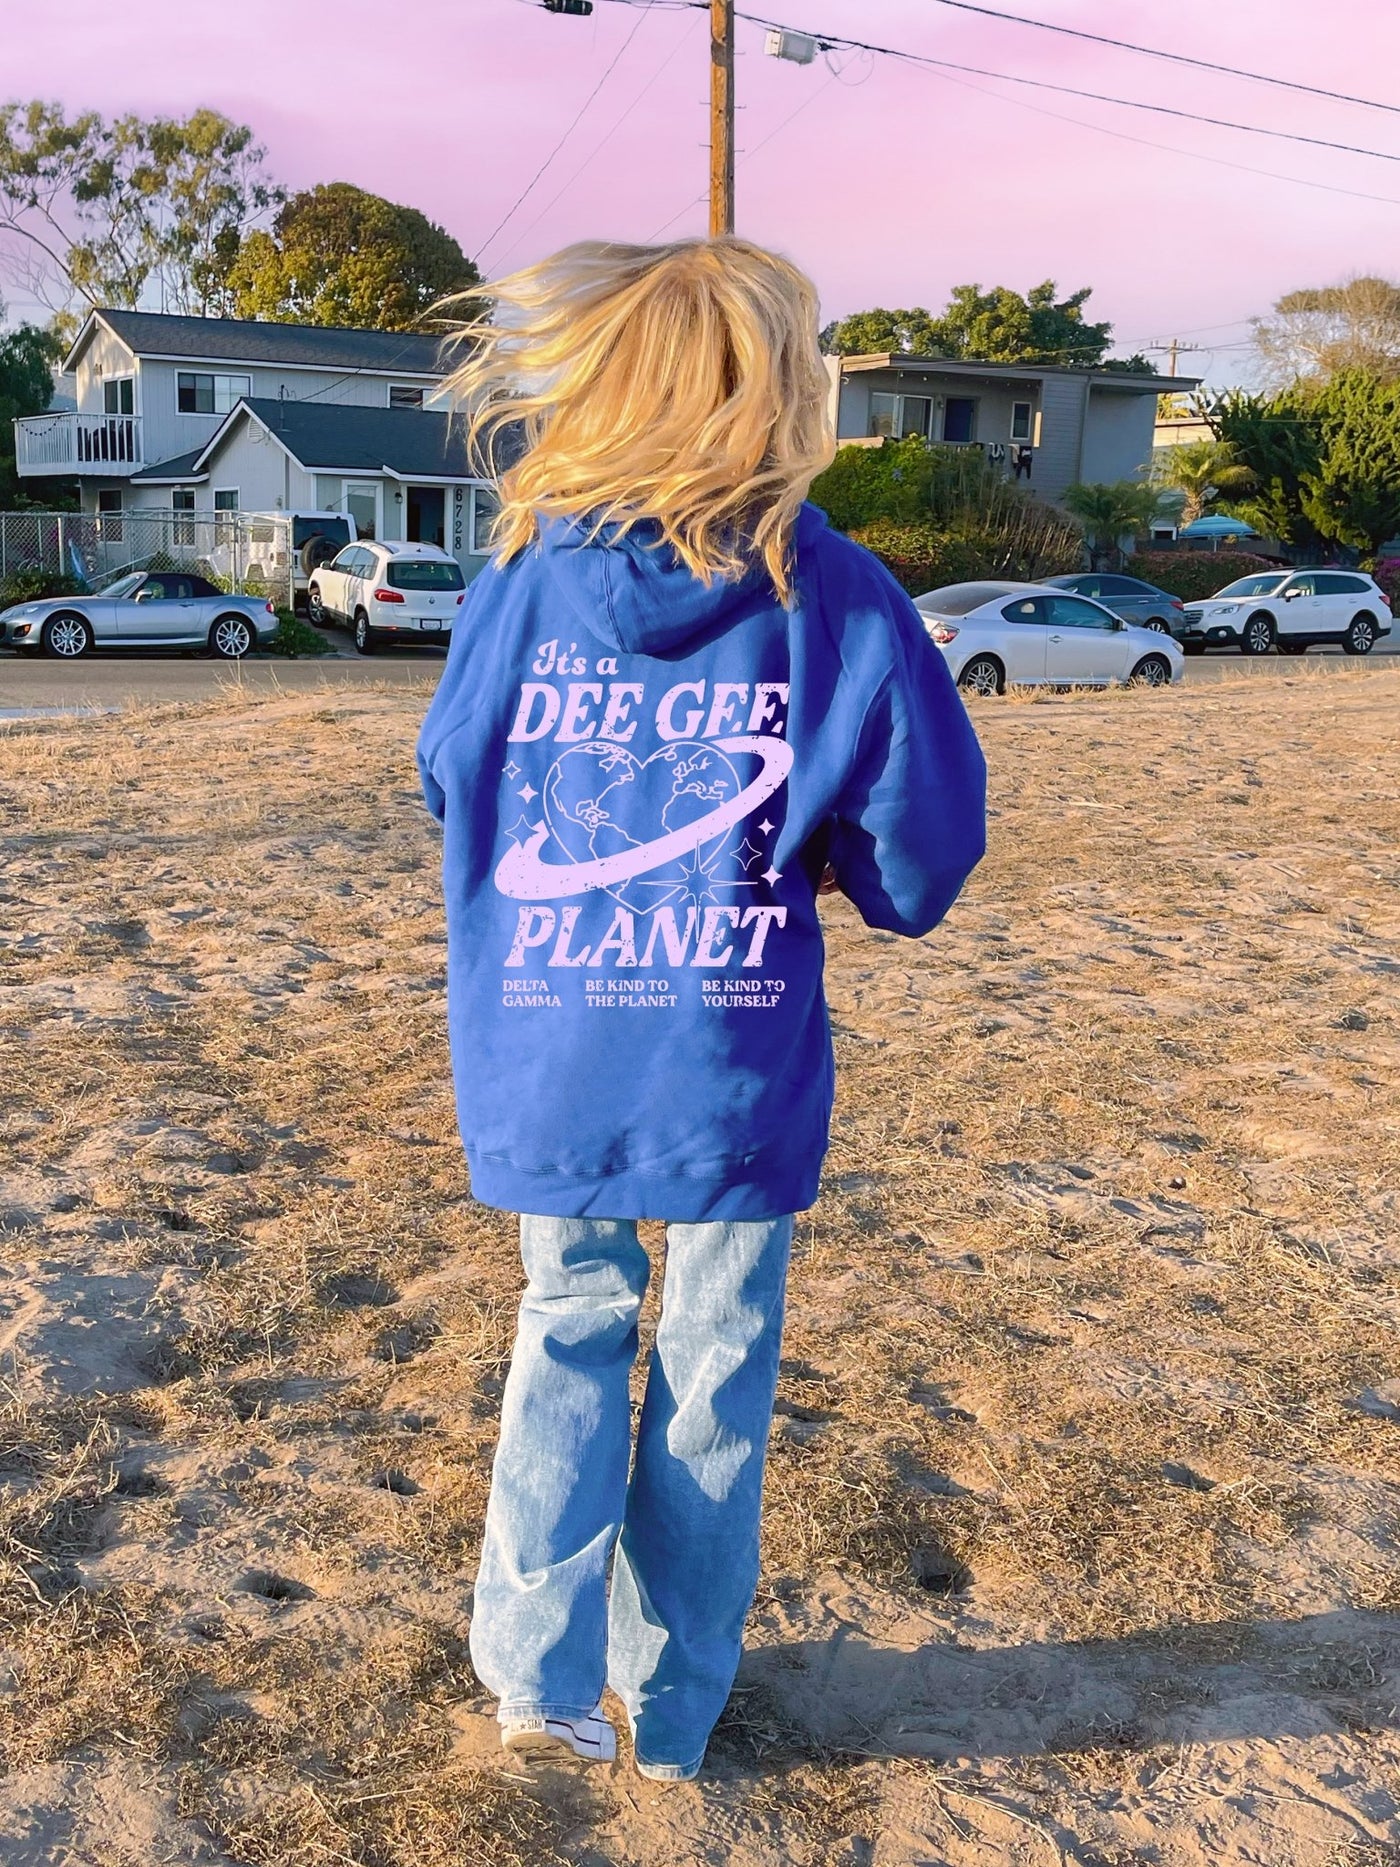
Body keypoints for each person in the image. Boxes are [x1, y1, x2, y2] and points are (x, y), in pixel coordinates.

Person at [417, 236, 986, 1783]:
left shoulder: (519, 580)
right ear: (775, 392)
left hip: (550, 1043)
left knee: (567, 1328)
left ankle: (540, 1688)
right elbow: (923, 852)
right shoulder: (834, 592)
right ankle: (668, 1716)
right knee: (715, 1364)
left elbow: (454, 777)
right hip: (726, 1059)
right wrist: (840, 865)